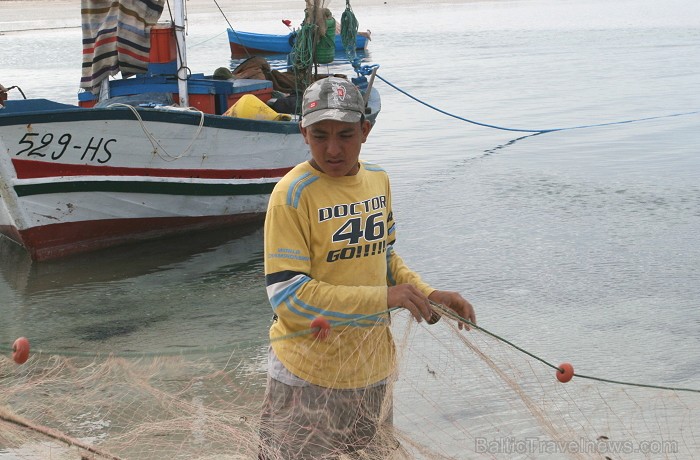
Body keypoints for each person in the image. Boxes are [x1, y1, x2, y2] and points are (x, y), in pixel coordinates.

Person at [259, 76, 476, 459]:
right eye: (320, 134)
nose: (333, 148)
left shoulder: (378, 181)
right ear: (303, 134)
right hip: (309, 380)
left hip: (372, 374)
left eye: (345, 134)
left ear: (365, 130)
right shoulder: (291, 196)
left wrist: (427, 293)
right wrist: (384, 298)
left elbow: (384, 258)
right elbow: (288, 299)